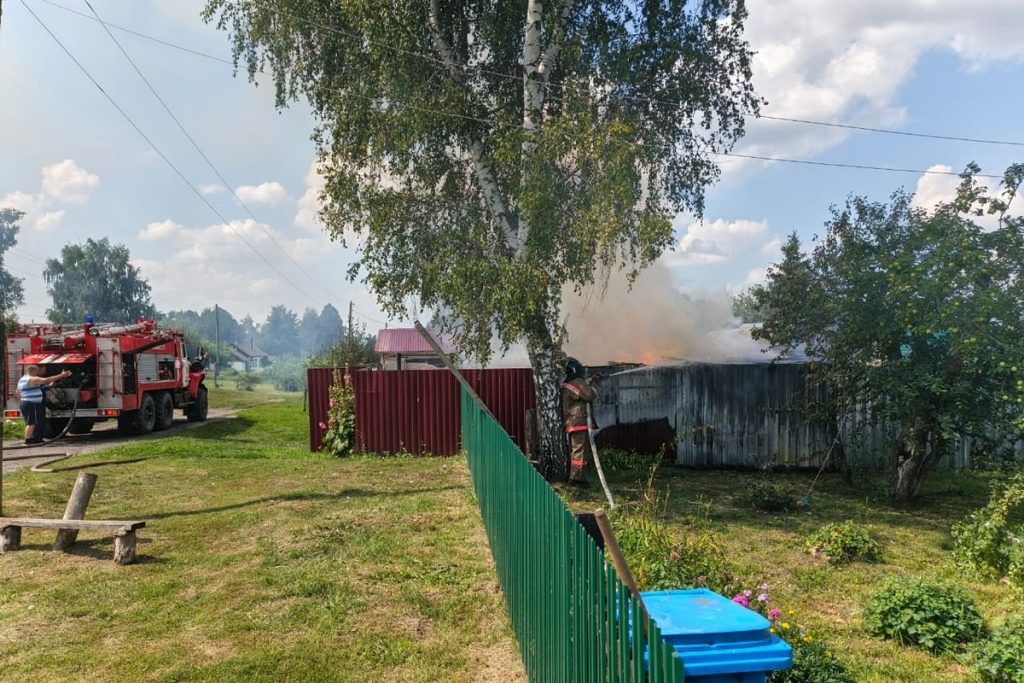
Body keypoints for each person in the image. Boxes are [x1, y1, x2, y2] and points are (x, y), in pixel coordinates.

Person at [561, 357, 601, 486]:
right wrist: (595, 383)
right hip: (578, 422)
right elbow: (589, 395)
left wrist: (589, 382)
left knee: (580, 451)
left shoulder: (570, 383)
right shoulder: (577, 382)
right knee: (580, 451)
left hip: (574, 422)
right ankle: (575, 480)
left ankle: (580, 478)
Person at [16, 365, 70, 444]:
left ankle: (34, 439)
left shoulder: (22, 379)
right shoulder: (32, 378)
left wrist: (24, 399)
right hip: (32, 404)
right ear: (33, 371)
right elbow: (46, 380)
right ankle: (29, 440)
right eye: (37, 371)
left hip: (26, 403)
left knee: (31, 422)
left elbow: (18, 392)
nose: (38, 373)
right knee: (32, 423)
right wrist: (62, 375)